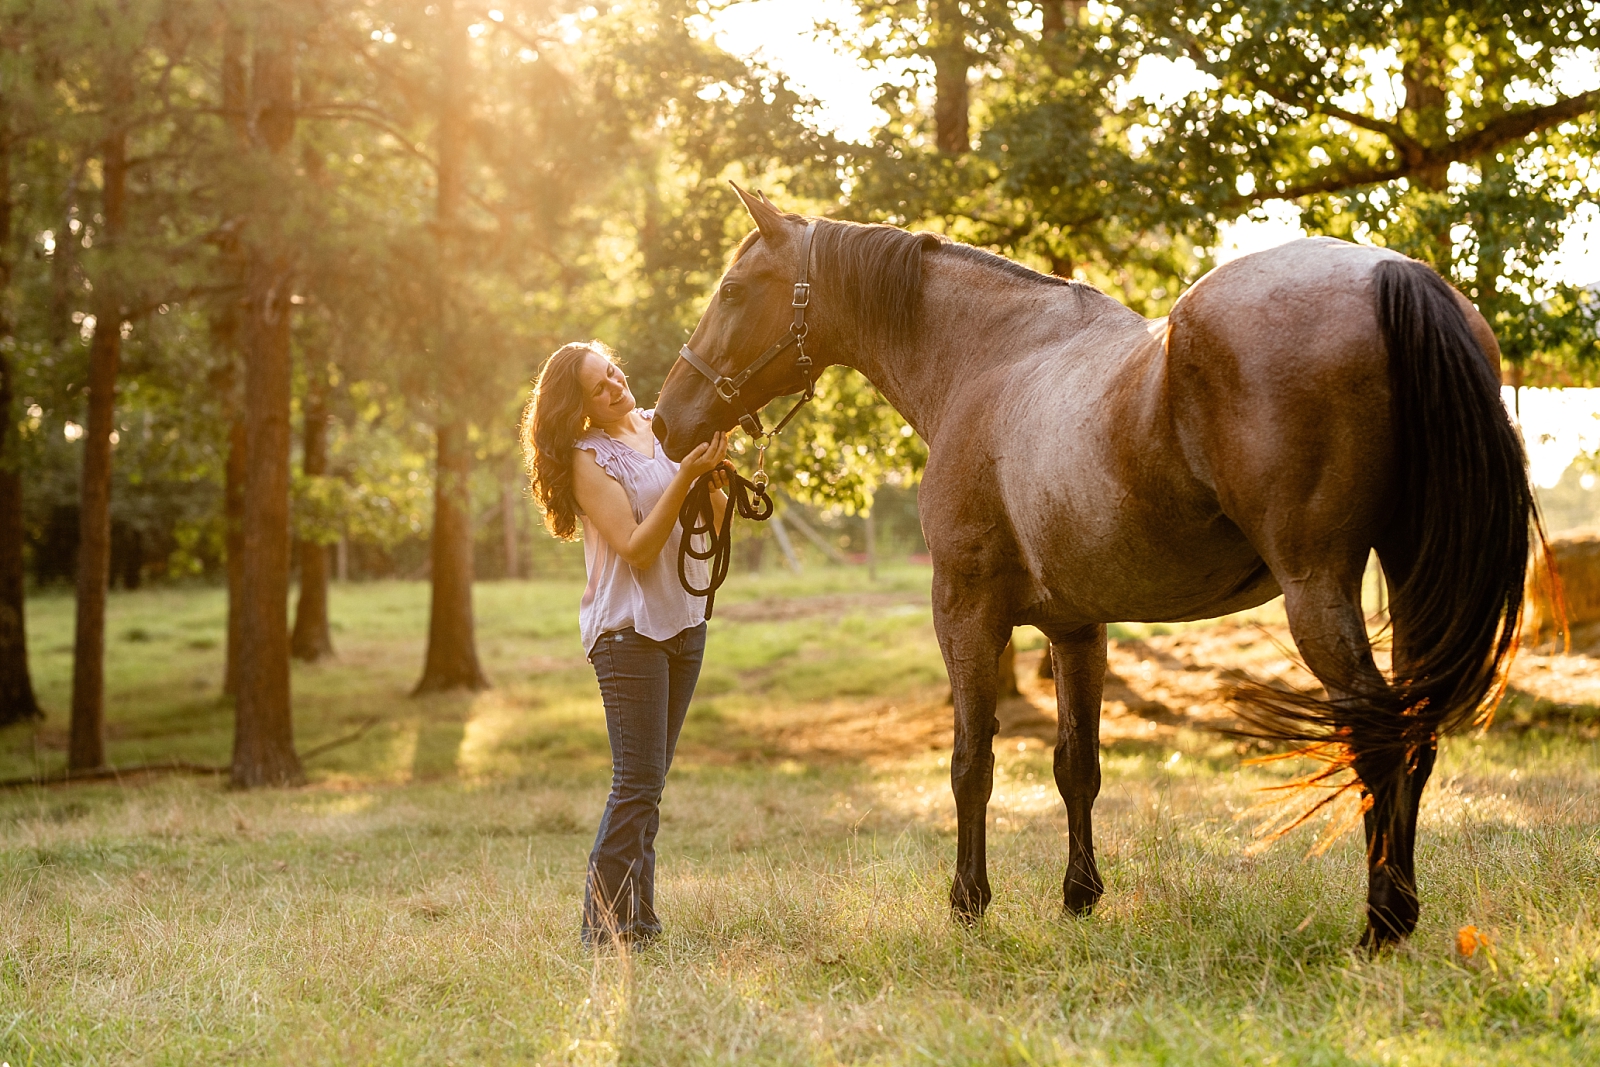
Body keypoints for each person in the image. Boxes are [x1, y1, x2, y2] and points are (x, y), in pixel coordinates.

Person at [521, 339, 729, 946]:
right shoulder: (590, 457)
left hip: (683, 623)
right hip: (627, 632)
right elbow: (636, 548)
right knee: (636, 783)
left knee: (651, 784)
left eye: (612, 371)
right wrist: (684, 476)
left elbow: (711, 524)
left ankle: (638, 922)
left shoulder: (661, 428)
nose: (614, 386)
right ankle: (603, 928)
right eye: (597, 386)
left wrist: (713, 481)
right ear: (578, 406)